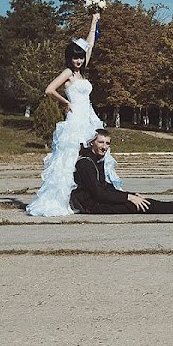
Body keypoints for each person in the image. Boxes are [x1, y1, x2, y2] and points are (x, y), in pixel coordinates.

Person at [26, 13, 103, 217]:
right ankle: (66, 199)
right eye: (74, 57)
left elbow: (90, 44)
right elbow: (49, 89)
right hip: (75, 119)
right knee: (71, 159)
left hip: (89, 118)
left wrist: (94, 21)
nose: (78, 60)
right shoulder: (68, 73)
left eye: (80, 57)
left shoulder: (82, 73)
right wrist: (66, 102)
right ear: (69, 58)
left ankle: (91, 196)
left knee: (93, 156)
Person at [70, 129, 173, 214]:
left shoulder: (95, 160)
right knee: (147, 205)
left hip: (98, 203)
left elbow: (105, 187)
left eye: (107, 143)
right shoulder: (85, 163)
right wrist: (129, 198)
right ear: (92, 142)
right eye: (101, 142)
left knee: (145, 202)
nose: (105, 147)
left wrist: (130, 194)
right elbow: (99, 193)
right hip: (93, 207)